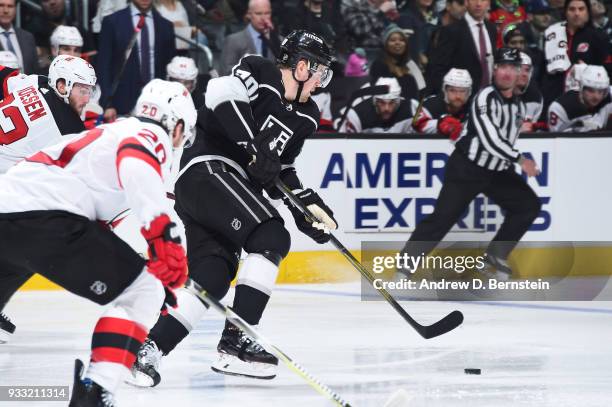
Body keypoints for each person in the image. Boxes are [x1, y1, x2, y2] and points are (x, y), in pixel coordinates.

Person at [127, 30, 337, 387]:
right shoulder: (261, 71)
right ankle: (238, 341)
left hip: (221, 191)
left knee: (213, 278)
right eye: (319, 71)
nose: (321, 81)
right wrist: (253, 145)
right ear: (302, 67)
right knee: (269, 234)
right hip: (208, 171)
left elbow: (279, 170)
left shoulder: (307, 116)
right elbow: (220, 94)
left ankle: (148, 351)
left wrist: (306, 206)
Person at [0, 79, 195, 406]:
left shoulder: (111, 132)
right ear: (175, 125)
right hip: (46, 216)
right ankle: (96, 392)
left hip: (9, 210)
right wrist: (163, 238)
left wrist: (150, 257)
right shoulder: (151, 134)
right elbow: (136, 162)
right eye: (182, 135)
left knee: (140, 286)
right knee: (143, 293)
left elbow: (97, 227)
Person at [402, 48, 541, 280]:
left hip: (497, 171)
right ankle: (404, 268)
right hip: (467, 167)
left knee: (529, 205)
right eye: (502, 67)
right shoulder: (484, 97)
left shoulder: (519, 106)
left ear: (519, 73)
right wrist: (520, 159)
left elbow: (506, 139)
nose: (507, 73)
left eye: (513, 68)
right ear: (495, 70)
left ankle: (494, 258)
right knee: (441, 219)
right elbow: (489, 140)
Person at [0, 55, 97, 344]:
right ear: (63, 85)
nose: (87, 97)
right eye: (82, 89)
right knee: (32, 248)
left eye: (90, 90)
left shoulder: (31, 81)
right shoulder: (68, 128)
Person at [98, 0, 177, 121]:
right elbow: (103, 66)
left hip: (156, 104)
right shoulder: (112, 22)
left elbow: (169, 68)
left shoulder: (165, 25)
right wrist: (107, 104)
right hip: (120, 105)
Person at [542, 0, 609, 106]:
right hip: (552, 99)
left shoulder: (599, 37)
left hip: (584, 102)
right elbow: (543, 68)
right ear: (565, 12)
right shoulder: (552, 34)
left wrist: (588, 70)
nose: (576, 13)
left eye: (581, 9)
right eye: (572, 9)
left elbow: (607, 69)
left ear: (587, 12)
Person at [426, 0, 497, 95]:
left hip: (488, 96)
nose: (478, 4)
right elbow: (438, 69)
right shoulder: (450, 31)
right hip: (460, 100)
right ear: (466, 2)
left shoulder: (491, 29)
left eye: (483, 0)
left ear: (488, 3)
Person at [220, 0, 281, 75]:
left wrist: (274, 38)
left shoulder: (280, 41)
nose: (263, 18)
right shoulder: (233, 41)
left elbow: (287, 68)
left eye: (267, 13)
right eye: (258, 13)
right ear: (249, 14)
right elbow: (226, 72)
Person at [548, 64, 612, 131]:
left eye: (600, 91)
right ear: (581, 88)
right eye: (591, 90)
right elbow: (556, 139)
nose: (596, 97)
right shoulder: (560, 108)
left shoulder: (609, 97)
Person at [412, 68, 472, 140]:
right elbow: (415, 124)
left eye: (463, 91)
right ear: (445, 90)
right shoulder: (430, 103)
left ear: (469, 92)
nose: (458, 96)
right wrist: (439, 124)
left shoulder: (473, 107)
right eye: (452, 90)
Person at [337, 77, 413, 133]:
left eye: (391, 103)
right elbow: (345, 145)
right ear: (374, 101)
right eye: (382, 102)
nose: (386, 108)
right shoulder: (356, 115)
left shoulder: (412, 108)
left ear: (398, 101)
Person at [369, 24, 423, 99]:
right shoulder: (379, 65)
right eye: (392, 40)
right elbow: (376, 93)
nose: (398, 43)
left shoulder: (411, 64)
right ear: (386, 44)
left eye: (402, 40)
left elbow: (422, 86)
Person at [0, 0, 39, 74]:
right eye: (1, 5)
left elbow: (35, 71)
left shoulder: (28, 37)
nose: (6, 10)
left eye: (10, 6)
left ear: (15, 9)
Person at [516, 51, 545, 131]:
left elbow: (530, 128)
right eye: (520, 69)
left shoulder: (535, 96)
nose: (524, 74)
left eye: (527, 70)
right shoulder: (498, 95)